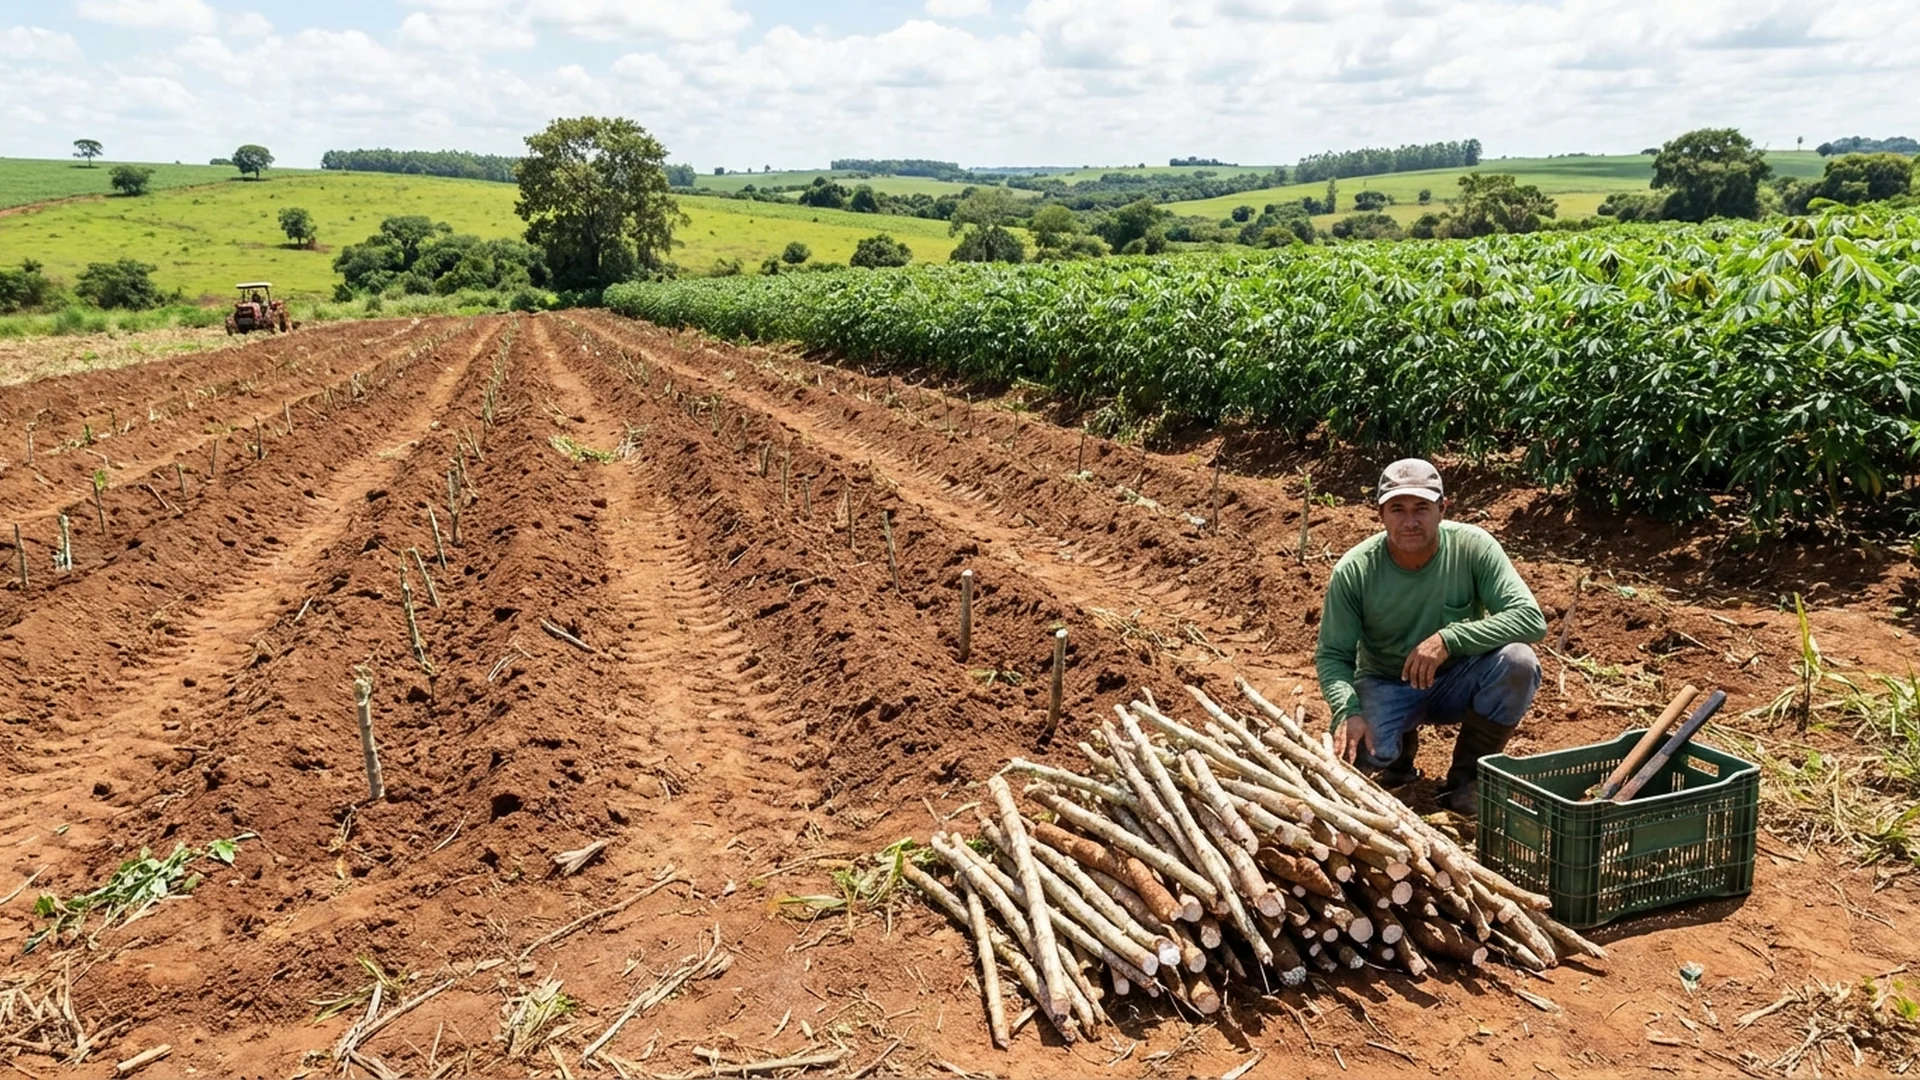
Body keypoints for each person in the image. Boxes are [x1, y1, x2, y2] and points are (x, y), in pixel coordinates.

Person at [1313, 458, 1545, 815]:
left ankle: (1469, 780)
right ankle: (1397, 763)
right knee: (1361, 754)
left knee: (1518, 662)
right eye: (1398, 509)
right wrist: (1348, 710)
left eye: (1421, 508)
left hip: (1457, 680)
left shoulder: (1473, 547)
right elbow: (1333, 655)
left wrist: (1451, 639)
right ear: (1381, 514)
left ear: (1442, 509)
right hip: (1387, 682)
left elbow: (1530, 619)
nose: (1410, 521)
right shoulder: (1355, 569)